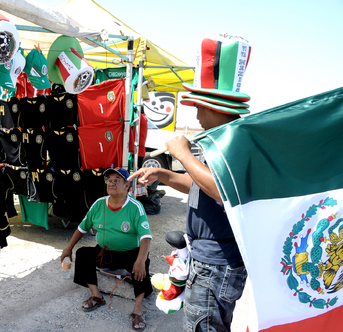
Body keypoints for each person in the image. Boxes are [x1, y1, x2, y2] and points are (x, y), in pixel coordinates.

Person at [128, 104, 248, 331]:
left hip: (215, 263)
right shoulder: (217, 143)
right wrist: (161, 174)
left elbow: (223, 191)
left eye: (199, 109)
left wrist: (183, 154)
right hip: (207, 260)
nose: (197, 117)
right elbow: (199, 184)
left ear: (215, 109)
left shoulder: (234, 145)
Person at [60, 167, 152, 331]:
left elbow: (146, 237)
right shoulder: (99, 204)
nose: (112, 183)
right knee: (82, 254)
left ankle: (138, 309)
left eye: (117, 180)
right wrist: (68, 248)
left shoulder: (135, 207)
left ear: (127, 186)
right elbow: (82, 228)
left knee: (142, 266)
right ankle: (96, 295)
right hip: (105, 252)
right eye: (109, 180)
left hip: (129, 253)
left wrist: (140, 260)